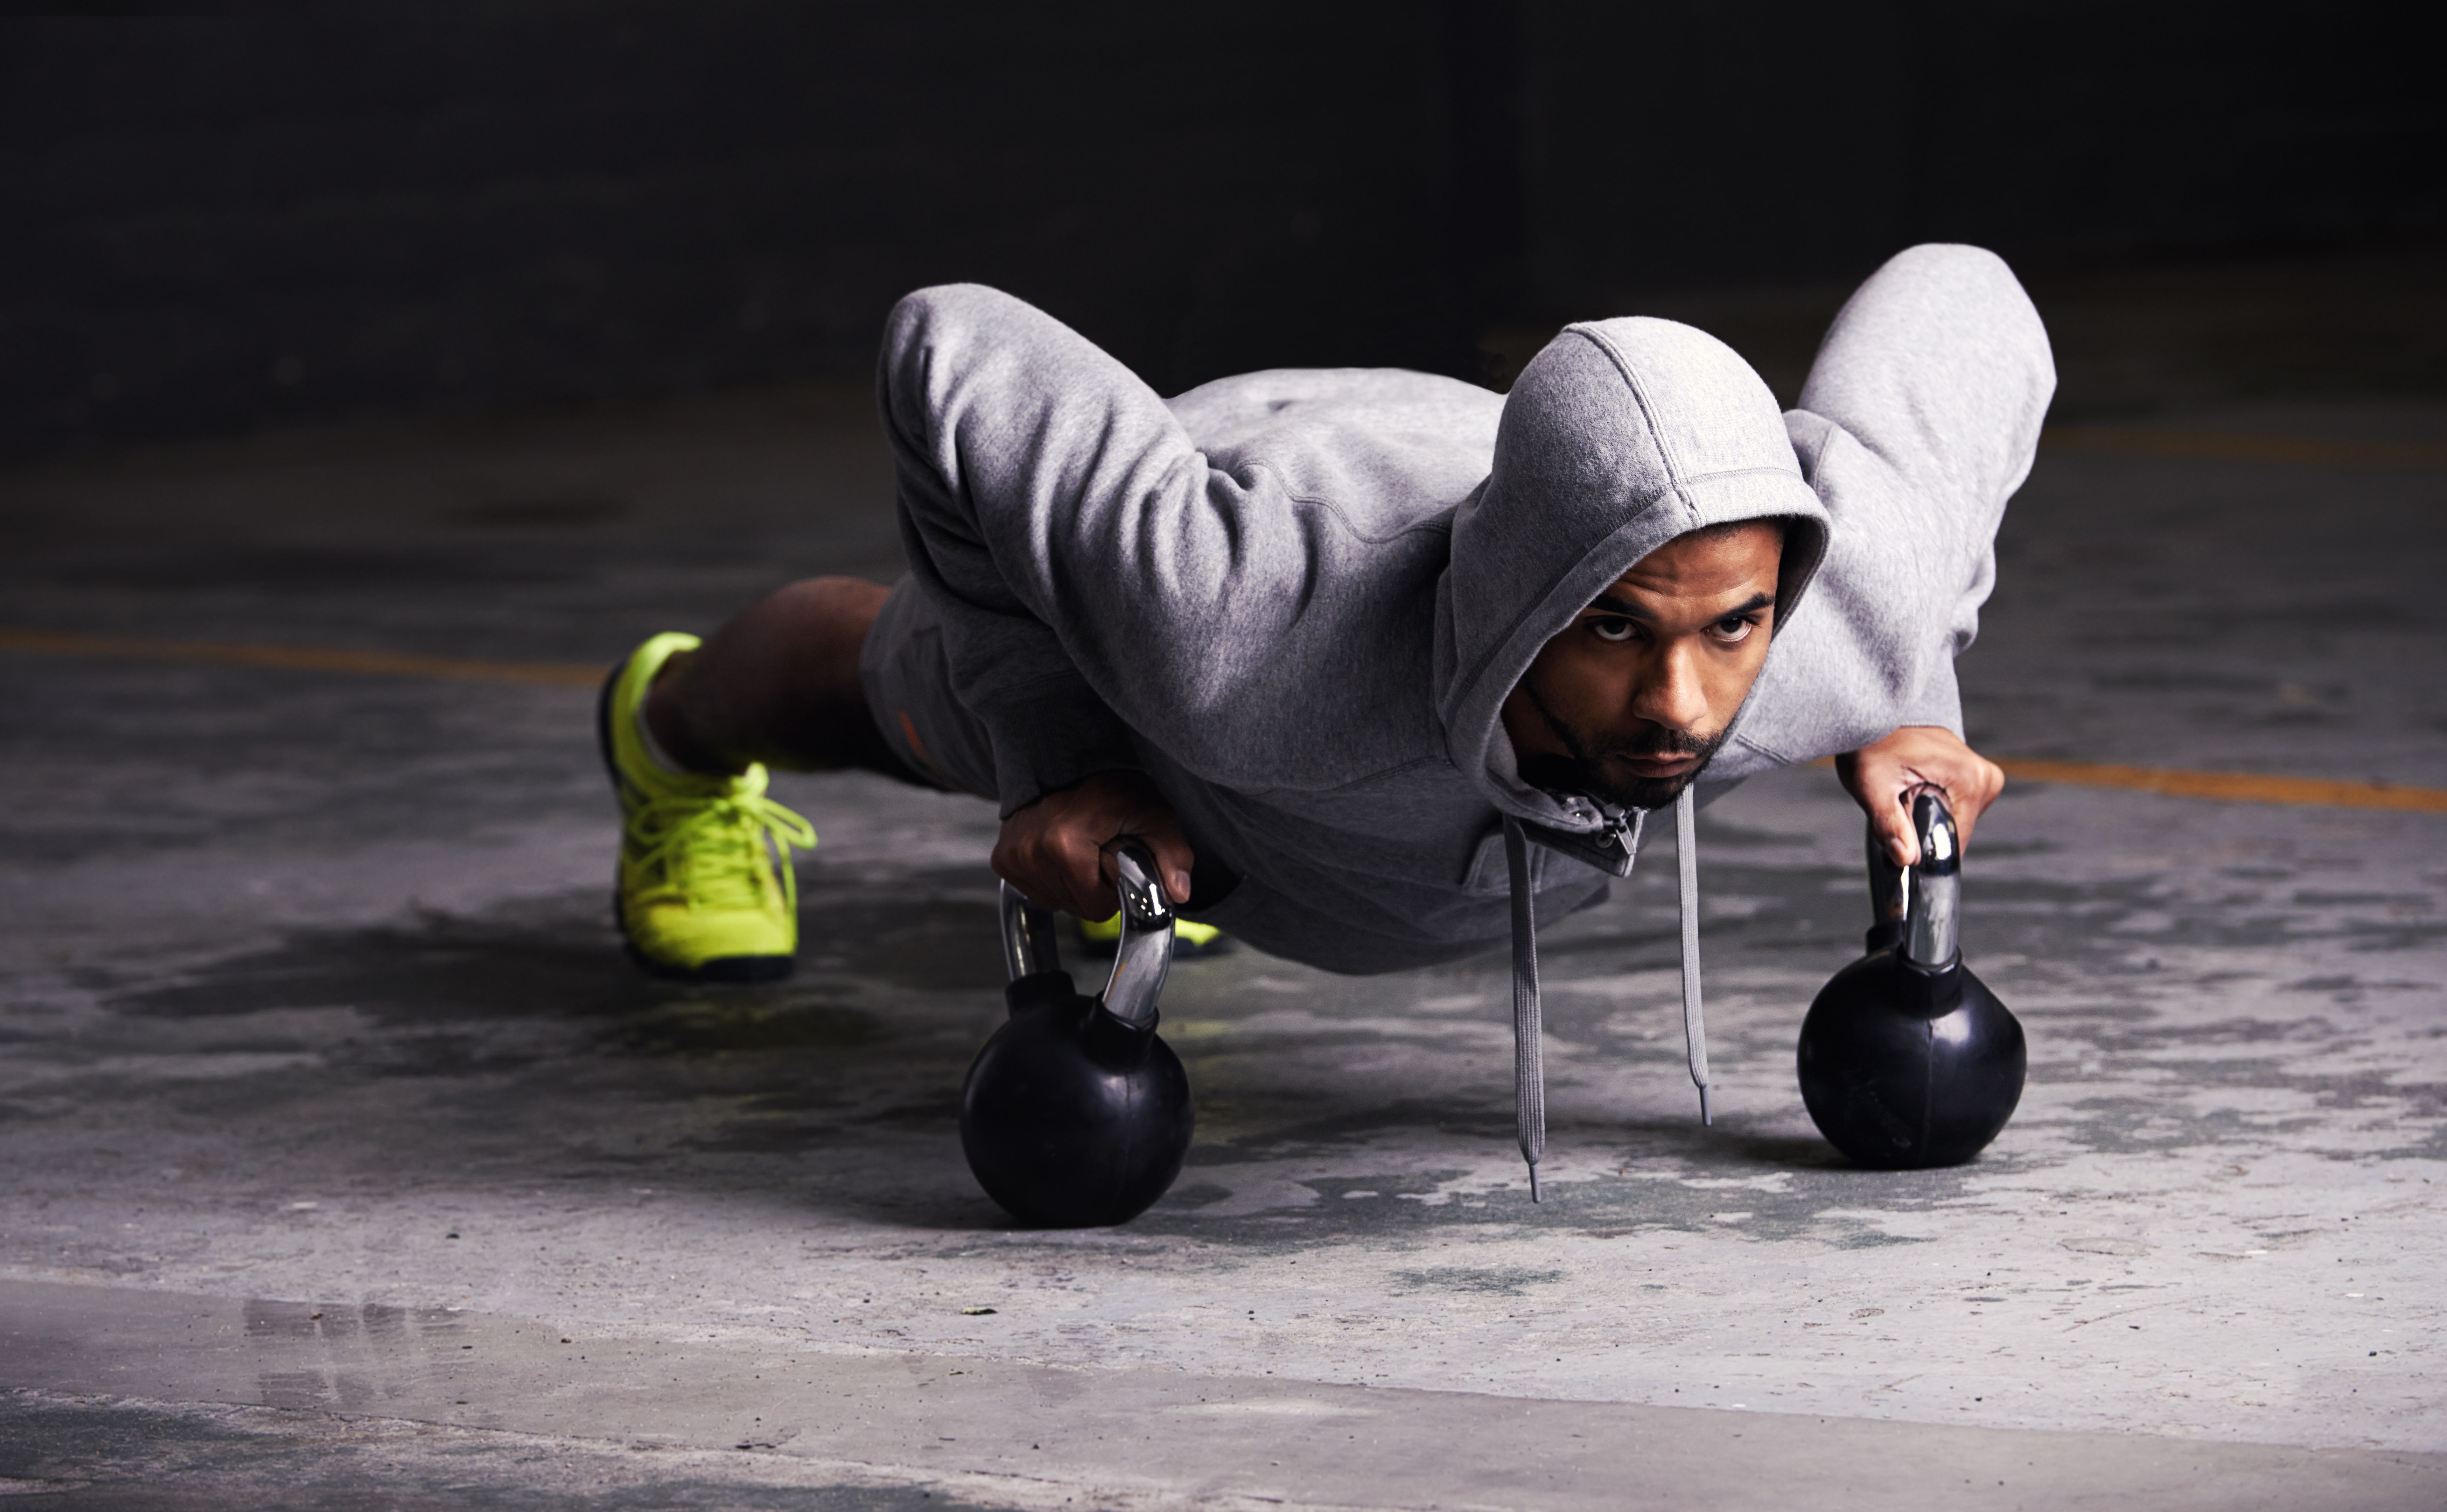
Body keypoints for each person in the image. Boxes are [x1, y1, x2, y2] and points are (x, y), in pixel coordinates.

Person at [596, 243, 2049, 1190]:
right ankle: (662, 735)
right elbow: (948, 344)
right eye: (1610, 628)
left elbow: (1961, 294)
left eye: (1730, 629)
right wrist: (1058, 760)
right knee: (884, 689)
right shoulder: (1227, 633)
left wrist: (1905, 686)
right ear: (1534, 598)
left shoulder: (1832, 610)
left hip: (1489, 490)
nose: (1678, 707)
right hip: (1248, 511)